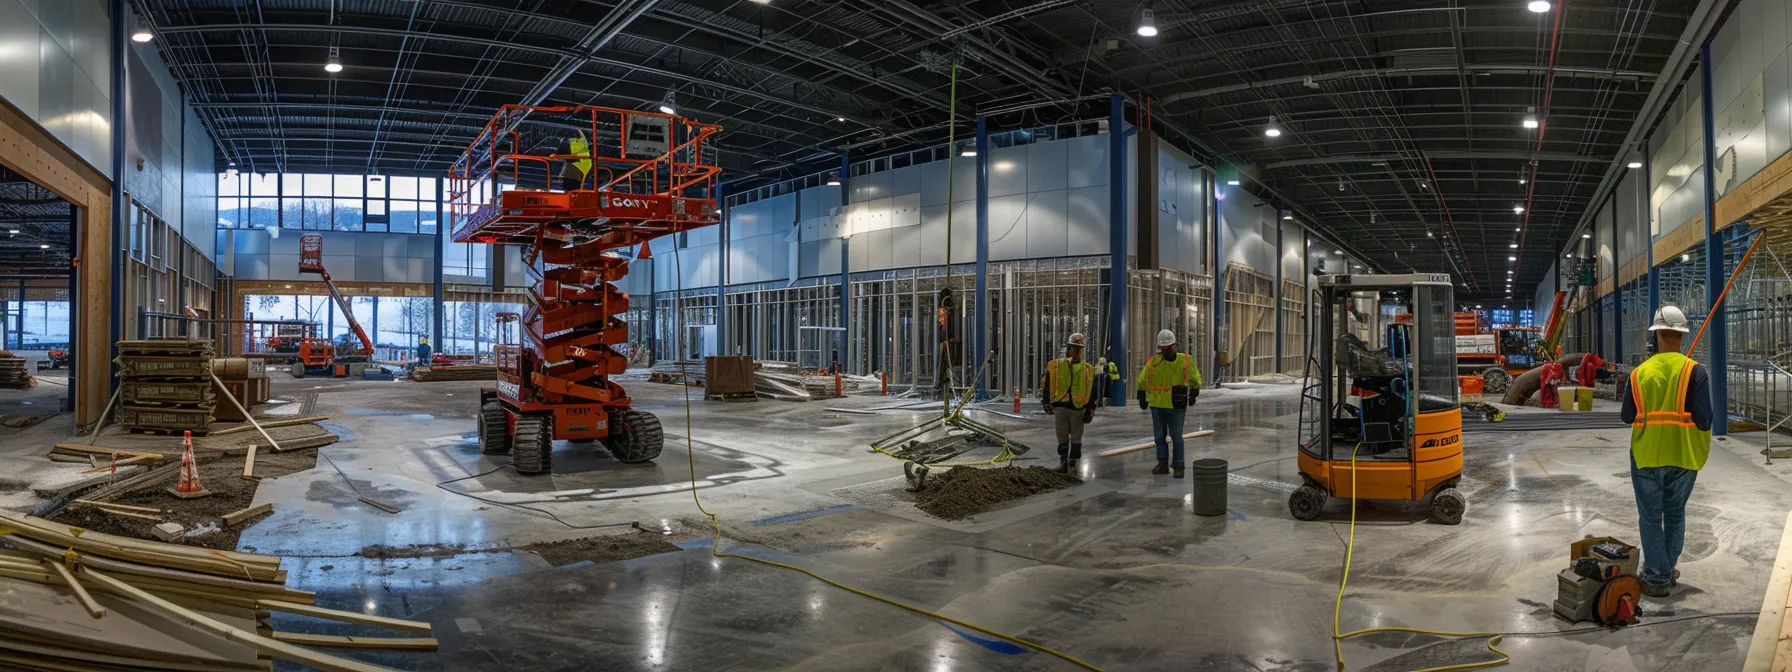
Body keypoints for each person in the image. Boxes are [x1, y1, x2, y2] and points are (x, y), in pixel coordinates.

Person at [1619, 306, 1712, 598]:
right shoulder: (1695, 372)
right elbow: (1705, 419)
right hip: (1685, 457)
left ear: (1657, 335)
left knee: (1649, 518)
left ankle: (1657, 576)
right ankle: (1665, 569)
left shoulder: (1639, 374)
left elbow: (1626, 416)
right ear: (1682, 336)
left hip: (1647, 456)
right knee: (1674, 514)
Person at [1137, 329, 1200, 478]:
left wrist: (1194, 392)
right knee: (1159, 436)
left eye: (1167, 348)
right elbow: (1143, 379)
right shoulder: (1153, 362)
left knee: (1176, 435)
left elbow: (1195, 378)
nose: (1165, 351)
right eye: (1163, 349)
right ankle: (1163, 464)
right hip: (1157, 405)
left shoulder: (1185, 360)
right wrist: (1141, 395)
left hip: (1176, 404)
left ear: (1174, 346)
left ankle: (1179, 466)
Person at [1041, 333, 1097, 474]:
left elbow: (1091, 390)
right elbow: (1049, 385)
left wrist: (1091, 409)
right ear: (1068, 349)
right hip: (1061, 407)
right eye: (1074, 348)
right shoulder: (1057, 366)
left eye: (1078, 349)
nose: (1076, 352)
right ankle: (1064, 463)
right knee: (1062, 437)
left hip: (1078, 409)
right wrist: (1046, 402)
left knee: (1076, 438)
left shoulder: (1088, 369)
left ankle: (1073, 465)